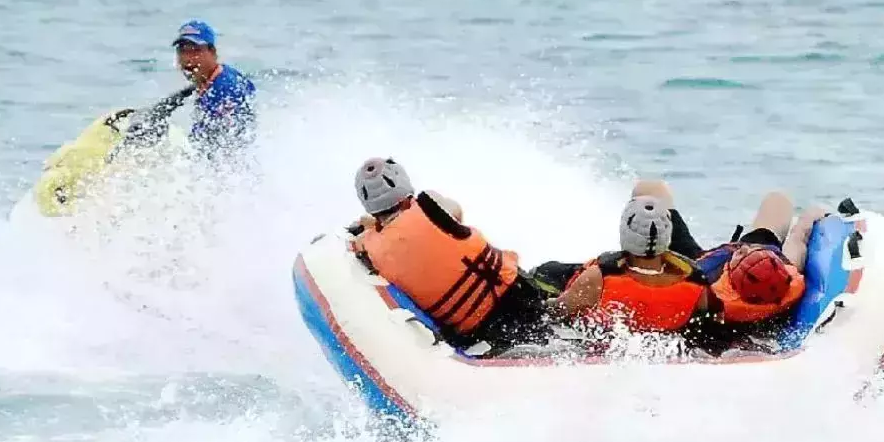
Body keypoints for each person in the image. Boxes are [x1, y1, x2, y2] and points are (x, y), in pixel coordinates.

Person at [348, 157, 555, 354]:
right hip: (518, 297)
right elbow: (455, 212)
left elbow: (373, 239)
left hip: (475, 332)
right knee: (549, 274)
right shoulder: (430, 204)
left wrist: (371, 228)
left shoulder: (369, 246)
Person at [634, 180, 824, 343]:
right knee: (778, 200)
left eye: (742, 254)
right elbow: (799, 235)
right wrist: (816, 213)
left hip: (696, 260)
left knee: (651, 190)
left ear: (731, 280)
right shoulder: (785, 268)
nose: (742, 248)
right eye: (751, 251)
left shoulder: (704, 290)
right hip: (753, 261)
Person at [545, 196, 726, 353]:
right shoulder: (696, 282)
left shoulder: (599, 278)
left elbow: (558, 311)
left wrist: (545, 304)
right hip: (664, 336)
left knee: (547, 271)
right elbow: (710, 317)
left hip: (604, 334)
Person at [128, 20, 257, 160]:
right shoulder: (217, 76)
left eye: (196, 51)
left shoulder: (224, 91)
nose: (187, 59)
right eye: (182, 50)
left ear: (212, 52)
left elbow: (211, 149)